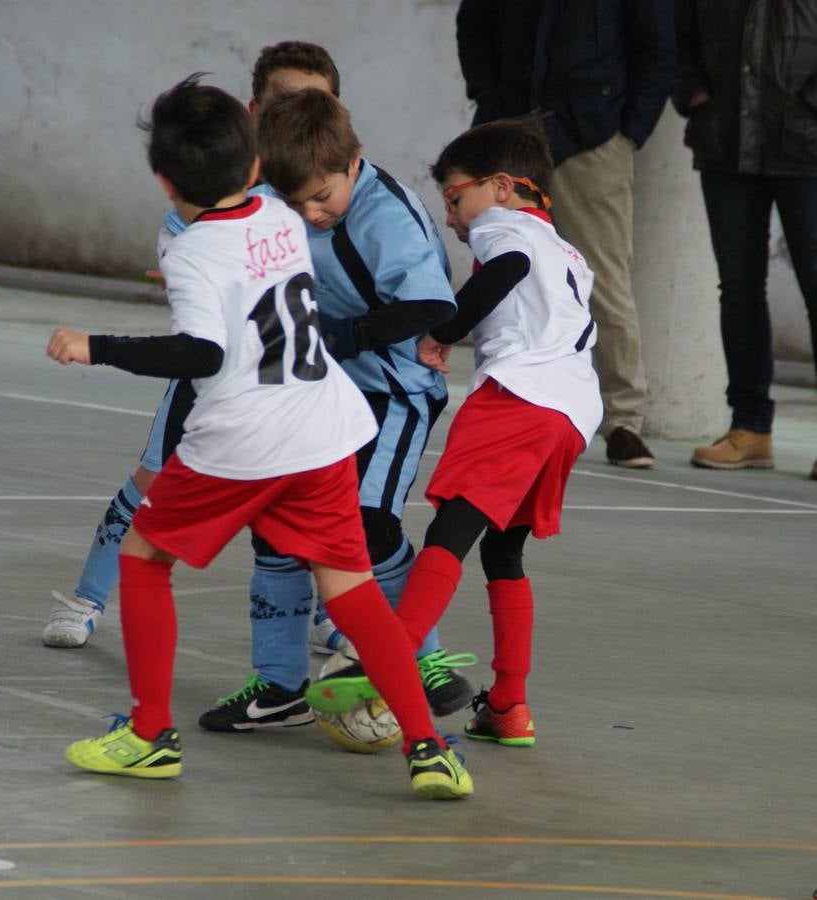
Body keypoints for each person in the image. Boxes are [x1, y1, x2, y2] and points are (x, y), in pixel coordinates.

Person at [52, 75, 472, 800]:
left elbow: (203, 356)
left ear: (161, 179)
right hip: (323, 429)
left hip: (244, 439)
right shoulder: (282, 219)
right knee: (352, 593)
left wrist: (98, 346)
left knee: (145, 559)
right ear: (255, 169)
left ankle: (151, 736)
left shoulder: (189, 249)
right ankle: (430, 748)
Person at [307, 116, 602, 749]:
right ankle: (508, 707)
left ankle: (391, 661)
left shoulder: (507, 227)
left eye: (455, 198)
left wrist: (442, 330)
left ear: (501, 187)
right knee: (504, 553)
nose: (452, 218)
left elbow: (505, 271)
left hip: (520, 397)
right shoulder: (568, 249)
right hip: (574, 412)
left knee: (451, 532)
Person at [41, 41, 343, 656]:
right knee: (153, 480)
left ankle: (332, 612)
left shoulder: (308, 189)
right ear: (255, 114)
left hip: (287, 378)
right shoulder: (209, 209)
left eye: (316, 102)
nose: (299, 112)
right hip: (219, 378)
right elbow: (204, 327)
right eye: (287, 101)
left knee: (308, 494)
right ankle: (88, 598)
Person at [248, 87, 478, 724]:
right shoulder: (286, 201)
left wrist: (344, 337)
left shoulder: (386, 214)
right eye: (297, 204)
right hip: (323, 388)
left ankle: (422, 660)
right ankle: (278, 685)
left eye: (322, 198)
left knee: (370, 523)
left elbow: (435, 307)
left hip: (395, 390)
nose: (312, 215)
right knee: (280, 520)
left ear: (355, 162)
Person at [454, 0, 674, 469]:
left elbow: (656, 47)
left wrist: (628, 131)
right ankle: (498, 396)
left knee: (605, 279)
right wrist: (489, 100)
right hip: (508, 135)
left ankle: (623, 422)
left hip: (593, 136)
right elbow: (474, 23)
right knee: (496, 263)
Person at [672, 0, 817, 476]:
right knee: (738, 291)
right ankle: (751, 428)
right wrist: (694, 94)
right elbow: (677, 33)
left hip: (808, 148)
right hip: (726, 145)